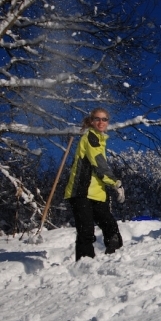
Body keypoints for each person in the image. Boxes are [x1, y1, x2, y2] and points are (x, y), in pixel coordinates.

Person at [64, 107, 126, 261]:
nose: (101, 122)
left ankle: (116, 258)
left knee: (110, 225)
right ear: (91, 121)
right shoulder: (91, 137)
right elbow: (98, 163)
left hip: (97, 193)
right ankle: (85, 264)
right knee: (86, 231)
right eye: (97, 119)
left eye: (104, 119)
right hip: (81, 191)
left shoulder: (99, 139)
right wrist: (115, 183)